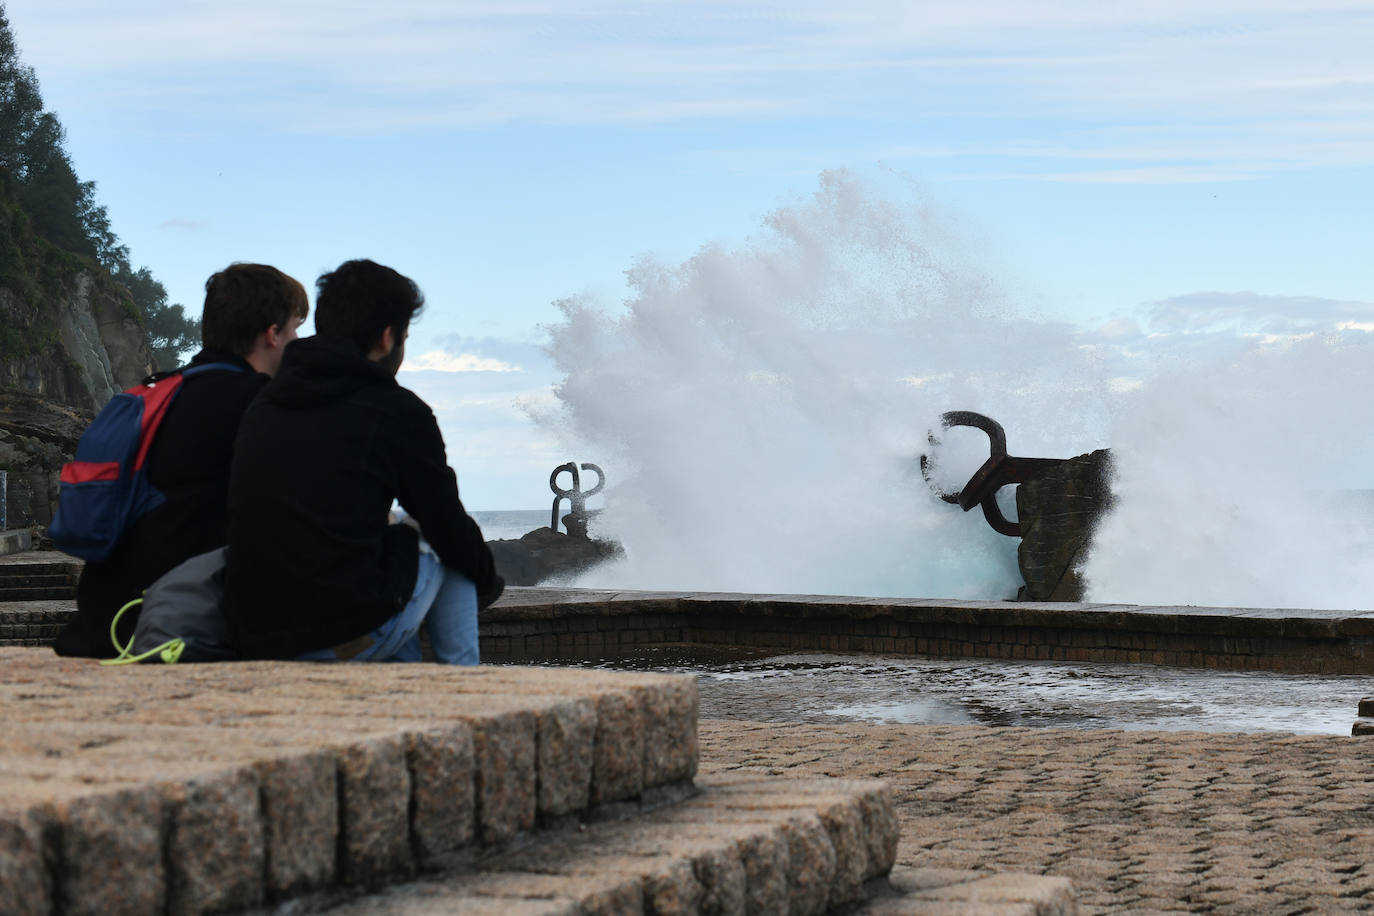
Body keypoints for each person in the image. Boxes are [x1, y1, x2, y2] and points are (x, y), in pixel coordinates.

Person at [223, 259, 502, 664]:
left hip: (254, 635)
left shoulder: (267, 400)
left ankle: (403, 695)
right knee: (444, 544)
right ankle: (465, 688)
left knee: (397, 553)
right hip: (332, 637)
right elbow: (446, 523)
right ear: (388, 339)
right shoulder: (394, 410)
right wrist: (488, 582)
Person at [54, 263, 308, 657]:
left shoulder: (159, 394)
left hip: (104, 622)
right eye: (294, 327)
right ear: (272, 334)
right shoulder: (263, 407)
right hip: (177, 631)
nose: (297, 340)